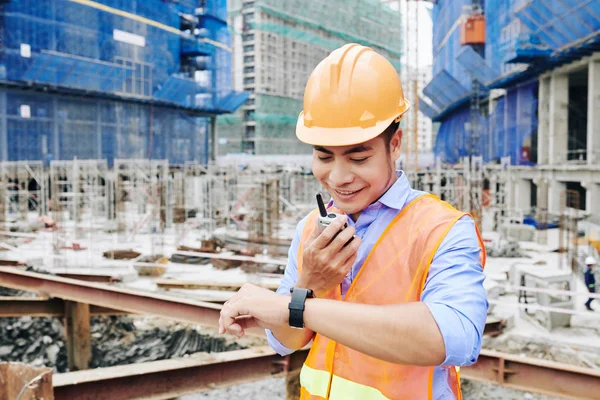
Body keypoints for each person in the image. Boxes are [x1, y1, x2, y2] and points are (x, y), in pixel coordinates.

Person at [218, 43, 488, 399]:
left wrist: (295, 306)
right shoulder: (310, 227)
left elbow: (454, 337)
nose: (338, 177)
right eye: (323, 156)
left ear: (395, 145)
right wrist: (308, 284)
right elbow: (287, 340)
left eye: (358, 157)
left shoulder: (441, 230)